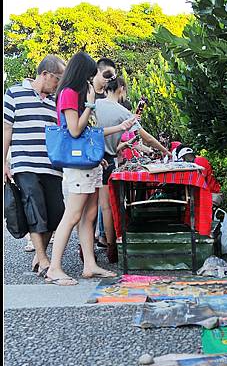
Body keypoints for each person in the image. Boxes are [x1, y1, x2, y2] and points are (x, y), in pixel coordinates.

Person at [45, 51, 137, 285]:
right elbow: (75, 130)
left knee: (89, 215)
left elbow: (88, 133)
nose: (93, 79)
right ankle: (54, 268)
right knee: (73, 214)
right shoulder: (68, 94)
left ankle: (90, 265)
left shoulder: (78, 94)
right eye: (91, 74)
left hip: (90, 163)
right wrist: (88, 105)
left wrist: (118, 130)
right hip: (77, 165)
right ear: (82, 73)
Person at [95, 76, 172, 262]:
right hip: (107, 159)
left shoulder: (95, 103)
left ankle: (87, 247)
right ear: (121, 88)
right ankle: (112, 249)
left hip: (90, 159)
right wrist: (166, 152)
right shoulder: (123, 112)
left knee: (89, 208)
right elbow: (148, 138)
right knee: (106, 207)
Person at [4, 55, 67, 275]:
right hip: (25, 162)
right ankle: (42, 257)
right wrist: (3, 161)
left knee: (57, 211)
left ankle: (40, 257)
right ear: (45, 74)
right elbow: (6, 130)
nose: (59, 83)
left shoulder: (55, 101)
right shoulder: (14, 93)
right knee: (34, 207)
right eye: (57, 78)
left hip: (51, 165)